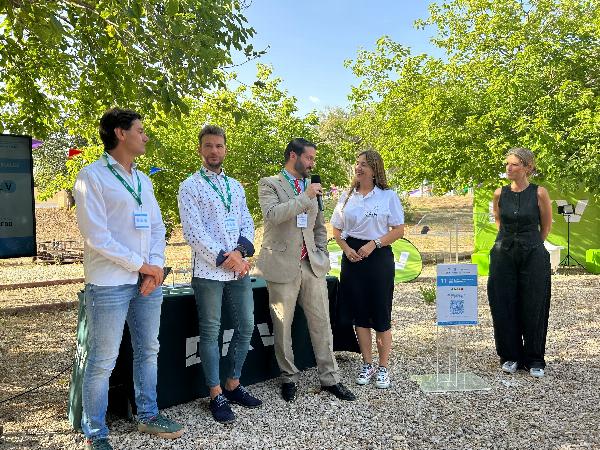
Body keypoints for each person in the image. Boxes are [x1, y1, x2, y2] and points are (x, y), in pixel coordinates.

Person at [73, 108, 183, 450]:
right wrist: (143, 266)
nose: (145, 136)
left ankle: (148, 415)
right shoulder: (91, 176)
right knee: (102, 360)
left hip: (147, 281)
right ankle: (96, 433)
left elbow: (157, 228)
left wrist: (155, 266)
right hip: (108, 284)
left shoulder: (143, 180)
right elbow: (97, 236)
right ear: (121, 133)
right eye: (140, 130)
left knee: (148, 349)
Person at [255, 138, 356, 402]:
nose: (312, 163)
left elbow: (319, 225)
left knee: (322, 322)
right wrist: (305, 196)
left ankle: (330, 378)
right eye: (309, 158)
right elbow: (273, 215)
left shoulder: (312, 187)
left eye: (313, 159)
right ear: (293, 156)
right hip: (280, 264)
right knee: (282, 326)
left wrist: (321, 252)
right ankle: (289, 377)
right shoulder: (270, 183)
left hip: (311, 264)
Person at [178, 125, 262, 424]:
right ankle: (216, 394)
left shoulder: (235, 186)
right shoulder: (190, 186)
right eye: (208, 145)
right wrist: (226, 259)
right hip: (208, 270)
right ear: (200, 149)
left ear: (225, 149)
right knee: (211, 332)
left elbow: (247, 222)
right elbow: (193, 232)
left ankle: (233, 383)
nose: (214, 151)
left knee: (246, 326)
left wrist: (239, 253)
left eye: (219, 146)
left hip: (238, 269)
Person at [330, 150, 405, 389]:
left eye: (364, 164)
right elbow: (336, 230)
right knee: (360, 314)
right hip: (352, 259)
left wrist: (374, 244)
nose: (358, 168)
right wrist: (346, 249)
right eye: (357, 163)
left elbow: (398, 230)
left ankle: (383, 367)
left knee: (380, 313)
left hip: (378, 258)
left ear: (374, 170)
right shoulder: (347, 197)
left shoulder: (387, 196)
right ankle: (367, 363)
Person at [487, 148, 552, 378]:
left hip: (533, 254)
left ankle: (534, 359)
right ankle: (510, 355)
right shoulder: (499, 193)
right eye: (507, 164)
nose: (509, 168)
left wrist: (531, 244)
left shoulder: (539, 193)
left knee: (534, 304)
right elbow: (499, 222)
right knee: (503, 303)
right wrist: (507, 242)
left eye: (514, 164)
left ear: (527, 167)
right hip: (503, 254)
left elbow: (545, 226)